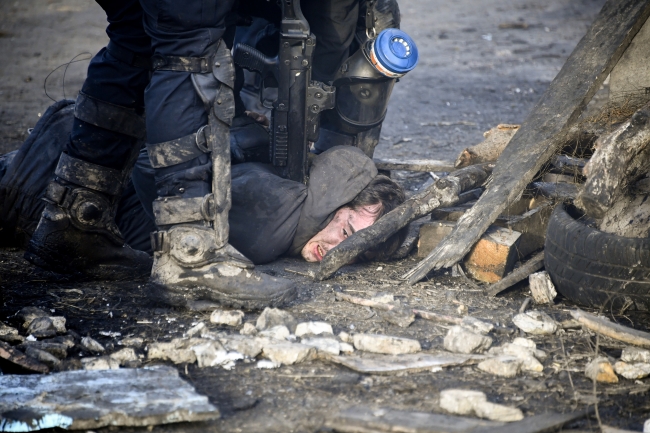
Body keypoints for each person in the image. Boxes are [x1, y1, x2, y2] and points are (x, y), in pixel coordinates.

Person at [0, 102, 408, 310]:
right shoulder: (275, 223)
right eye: (346, 233)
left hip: (69, 150)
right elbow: (148, 168)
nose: (334, 251)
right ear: (340, 204)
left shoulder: (302, 195)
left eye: (352, 252)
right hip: (40, 187)